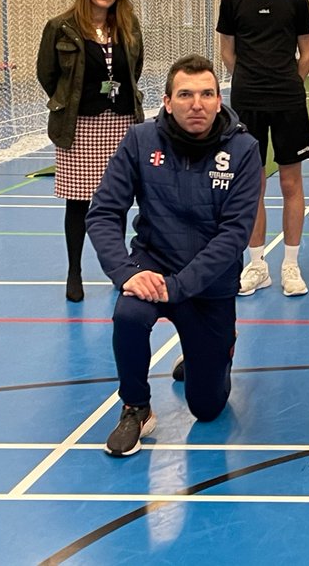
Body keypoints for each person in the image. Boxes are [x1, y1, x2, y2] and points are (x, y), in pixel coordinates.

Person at [87, 55, 262, 457]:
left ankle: (218, 349)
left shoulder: (243, 149)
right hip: (153, 264)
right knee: (129, 314)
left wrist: (178, 286)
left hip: (209, 284)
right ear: (167, 102)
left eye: (206, 94)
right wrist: (126, 273)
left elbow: (234, 234)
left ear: (219, 100)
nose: (196, 104)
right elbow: (104, 212)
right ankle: (136, 407)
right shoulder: (140, 141)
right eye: (185, 95)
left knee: (207, 407)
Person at [37, 0, 144, 303]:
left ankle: (118, 268)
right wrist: (70, 100)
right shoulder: (61, 27)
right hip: (79, 125)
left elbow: (135, 68)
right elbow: (47, 74)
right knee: (79, 202)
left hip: (121, 122)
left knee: (118, 201)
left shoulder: (128, 25)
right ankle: (74, 271)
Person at [216, 0, 309, 297]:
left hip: (288, 102)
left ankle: (290, 264)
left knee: (291, 183)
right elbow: (227, 52)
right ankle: (257, 265)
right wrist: (249, 81)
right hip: (247, 103)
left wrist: (287, 83)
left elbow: (308, 53)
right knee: (251, 184)